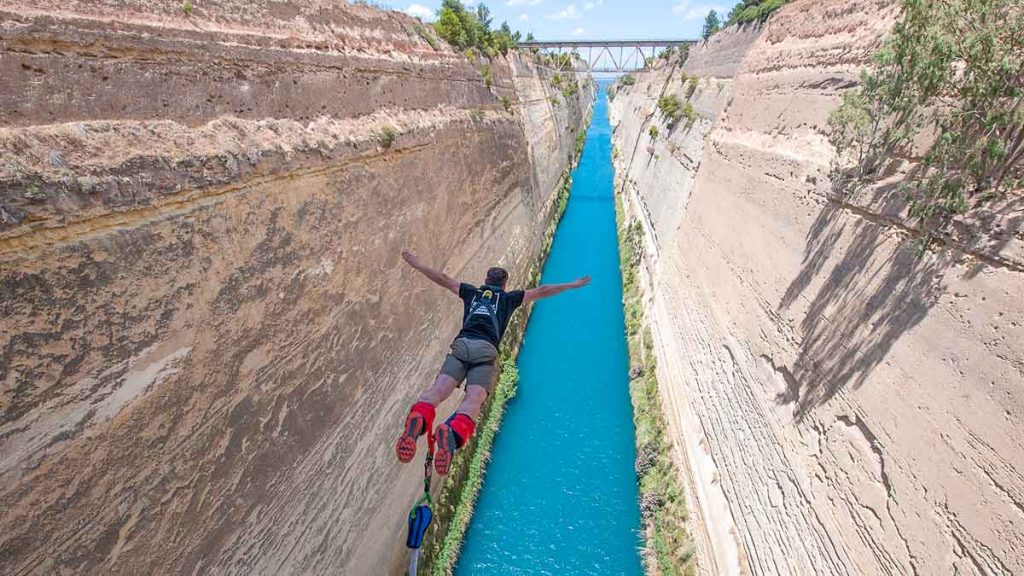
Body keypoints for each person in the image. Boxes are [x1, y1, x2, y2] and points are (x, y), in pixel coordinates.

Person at [395, 249, 590, 475]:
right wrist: (571, 285)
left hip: (462, 345)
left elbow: (444, 279)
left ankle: (419, 417)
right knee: (474, 399)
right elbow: (543, 291)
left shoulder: (471, 292)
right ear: (504, 284)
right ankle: (451, 431)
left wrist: (417, 263)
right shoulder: (508, 299)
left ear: (485, 281)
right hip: (485, 352)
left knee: (436, 392)